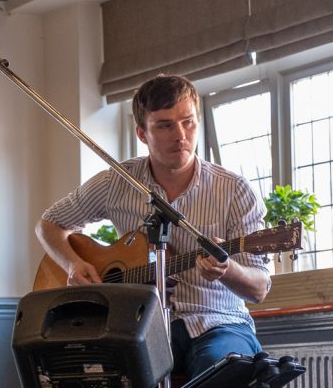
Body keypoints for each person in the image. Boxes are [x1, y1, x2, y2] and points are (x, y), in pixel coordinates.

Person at [35, 74, 271, 380]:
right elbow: (48, 224)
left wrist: (228, 270)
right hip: (140, 325)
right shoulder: (116, 182)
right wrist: (73, 264)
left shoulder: (235, 190)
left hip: (220, 323)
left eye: (188, 122)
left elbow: (259, 289)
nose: (181, 135)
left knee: (220, 368)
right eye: (165, 125)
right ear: (142, 133)